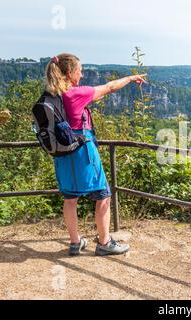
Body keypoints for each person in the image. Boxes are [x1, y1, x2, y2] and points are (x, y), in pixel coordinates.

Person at [44, 53, 146, 256]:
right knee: (103, 195)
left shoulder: (51, 95)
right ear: (70, 72)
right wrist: (130, 78)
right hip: (83, 150)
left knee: (70, 199)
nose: (81, 76)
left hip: (63, 153)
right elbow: (109, 87)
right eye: (80, 71)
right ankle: (104, 242)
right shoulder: (75, 94)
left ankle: (75, 243)